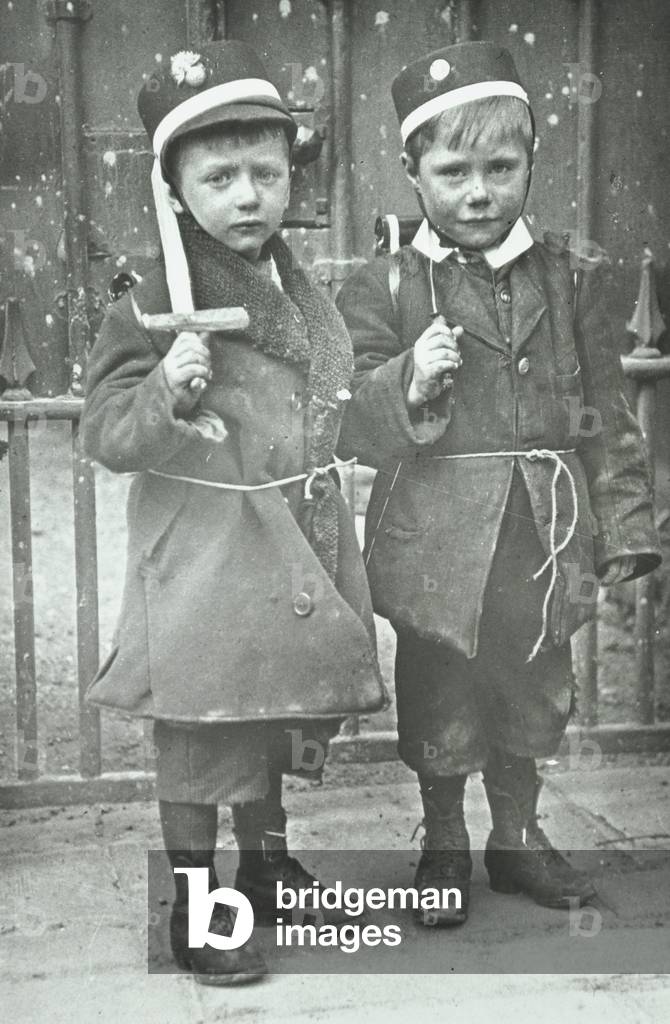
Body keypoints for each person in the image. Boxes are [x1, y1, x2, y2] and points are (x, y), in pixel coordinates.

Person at [335, 40, 661, 926]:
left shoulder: (570, 274)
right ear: (412, 172)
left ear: (530, 165)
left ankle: (515, 839)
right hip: (437, 543)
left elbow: (606, 405)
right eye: (453, 171)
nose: (477, 191)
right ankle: (443, 839)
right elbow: (348, 417)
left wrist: (629, 524)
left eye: (500, 167)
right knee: (441, 690)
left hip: (543, 537)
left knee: (535, 688)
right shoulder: (388, 284)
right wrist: (405, 378)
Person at [82, 40, 386, 983]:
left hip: (293, 531)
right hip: (210, 550)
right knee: (207, 728)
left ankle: (263, 866)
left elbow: (331, 400)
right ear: (176, 192)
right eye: (220, 178)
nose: (248, 195)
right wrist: (166, 392)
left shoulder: (302, 287)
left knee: (276, 713)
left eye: (266, 172)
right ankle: (197, 908)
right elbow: (104, 434)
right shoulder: (157, 302)